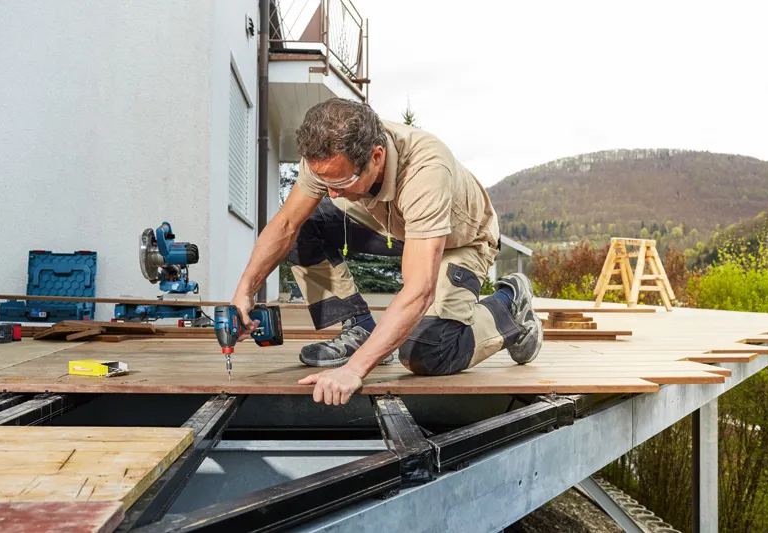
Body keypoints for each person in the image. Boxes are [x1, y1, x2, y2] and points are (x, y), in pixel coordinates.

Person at [230, 98, 542, 406]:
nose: (332, 193)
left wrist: (354, 370)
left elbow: (419, 291)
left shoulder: (426, 171)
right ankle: (359, 329)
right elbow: (285, 225)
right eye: (322, 182)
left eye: (341, 181)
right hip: (396, 227)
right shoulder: (327, 157)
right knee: (305, 225)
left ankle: (509, 304)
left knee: (427, 351)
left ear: (376, 157)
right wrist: (245, 291)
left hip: (461, 241)